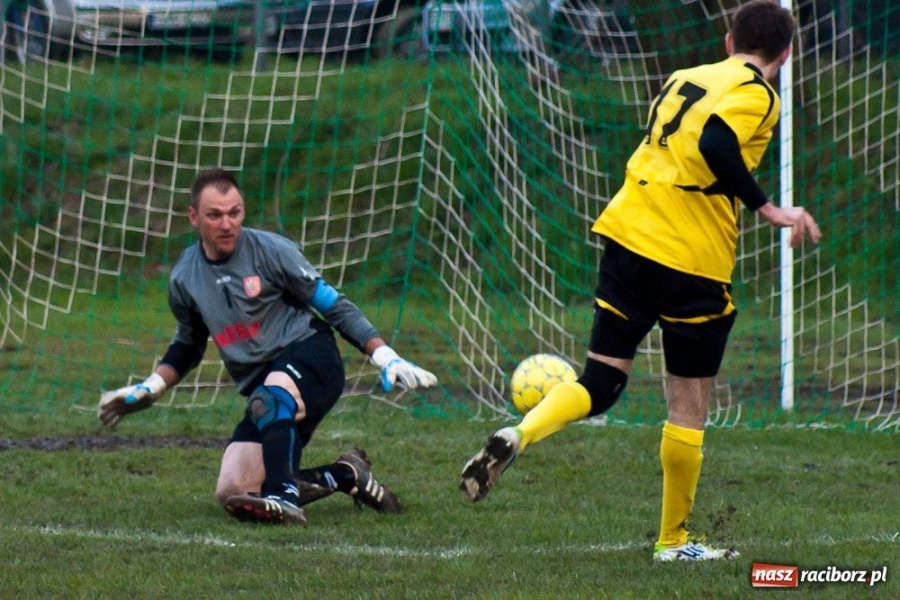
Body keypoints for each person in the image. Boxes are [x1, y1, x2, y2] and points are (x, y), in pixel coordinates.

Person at [460, 0, 821, 561]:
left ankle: (520, 434)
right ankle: (673, 542)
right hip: (690, 259)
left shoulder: (684, 77)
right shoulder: (759, 92)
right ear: (786, 53)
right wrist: (769, 209)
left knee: (600, 383)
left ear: (728, 41)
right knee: (687, 405)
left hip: (628, 237)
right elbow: (715, 145)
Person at [98, 168, 437, 526]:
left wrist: (384, 355)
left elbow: (333, 305)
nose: (227, 224)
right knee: (235, 492)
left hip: (311, 358)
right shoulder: (185, 276)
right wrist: (151, 388)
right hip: (268, 389)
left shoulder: (272, 251)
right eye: (215, 215)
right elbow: (188, 344)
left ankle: (285, 499)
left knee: (272, 402)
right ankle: (345, 475)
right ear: (194, 217)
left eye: (235, 212)